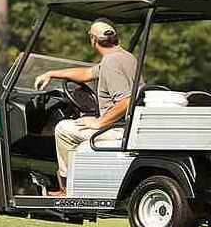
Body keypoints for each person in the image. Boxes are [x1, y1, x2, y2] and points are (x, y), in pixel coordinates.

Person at [33, 18, 138, 196]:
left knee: (63, 129)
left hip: (118, 129)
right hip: (125, 126)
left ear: (93, 40)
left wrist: (99, 122)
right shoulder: (125, 57)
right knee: (78, 124)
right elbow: (87, 73)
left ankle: (66, 188)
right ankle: (74, 184)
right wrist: (51, 73)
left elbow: (126, 100)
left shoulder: (111, 63)